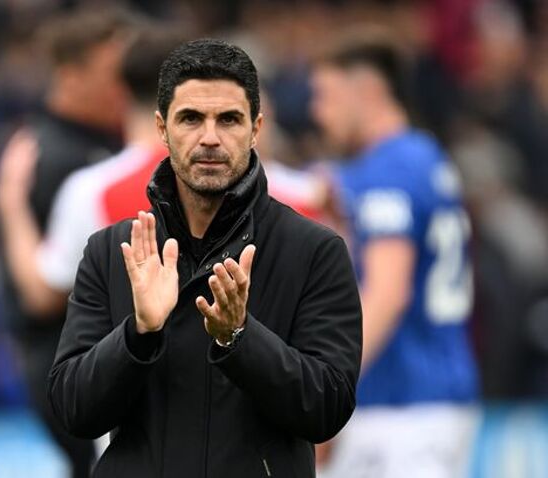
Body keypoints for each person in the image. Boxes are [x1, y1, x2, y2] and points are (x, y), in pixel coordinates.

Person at [48, 38, 362, 478]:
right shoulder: (111, 250)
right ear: (162, 128)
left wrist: (240, 338)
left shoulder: (314, 250)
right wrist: (138, 334)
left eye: (228, 119)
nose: (210, 138)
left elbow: (329, 409)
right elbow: (74, 411)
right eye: (191, 118)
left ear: (256, 128)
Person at [310, 29, 479, 477]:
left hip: (402, 411)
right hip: (428, 399)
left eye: (327, 96)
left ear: (367, 92)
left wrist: (328, 389)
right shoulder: (421, 155)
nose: (318, 112)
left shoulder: (389, 168)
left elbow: (387, 292)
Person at [0, 8, 138, 477]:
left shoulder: (113, 144)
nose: (129, 84)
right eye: (116, 72)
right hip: (70, 355)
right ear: (70, 75)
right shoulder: (54, 157)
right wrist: (11, 208)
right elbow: (43, 294)